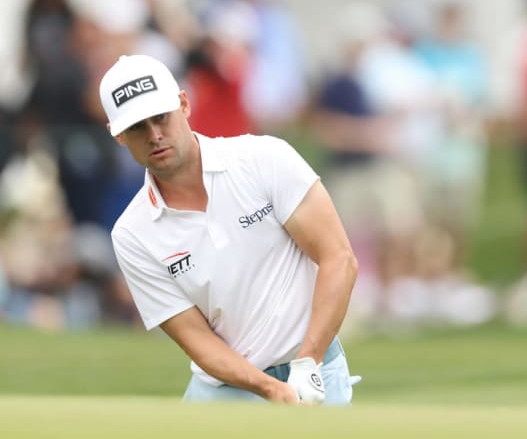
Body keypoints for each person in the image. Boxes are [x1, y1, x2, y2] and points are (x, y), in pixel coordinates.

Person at [99, 54, 358, 405]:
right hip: (224, 391)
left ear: (184, 104)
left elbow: (338, 259)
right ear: (119, 137)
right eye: (137, 127)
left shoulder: (263, 158)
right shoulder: (132, 234)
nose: (155, 135)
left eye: (160, 117)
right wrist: (270, 389)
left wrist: (308, 360)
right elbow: (197, 339)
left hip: (315, 372)